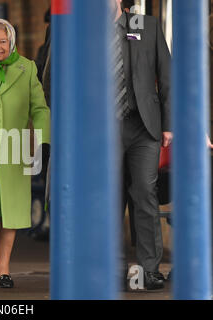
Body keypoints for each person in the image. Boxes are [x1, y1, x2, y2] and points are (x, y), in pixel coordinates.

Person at [0, 19, 51, 288]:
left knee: (11, 210)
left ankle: (4, 267)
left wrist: (43, 140)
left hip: (14, 148)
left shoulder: (27, 68)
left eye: (3, 41)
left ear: (12, 43)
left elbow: (40, 108)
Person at [110, 0, 172, 290]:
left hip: (143, 126)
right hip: (102, 130)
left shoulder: (144, 26)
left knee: (145, 193)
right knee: (110, 199)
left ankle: (149, 270)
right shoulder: (85, 34)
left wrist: (168, 123)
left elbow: (167, 77)